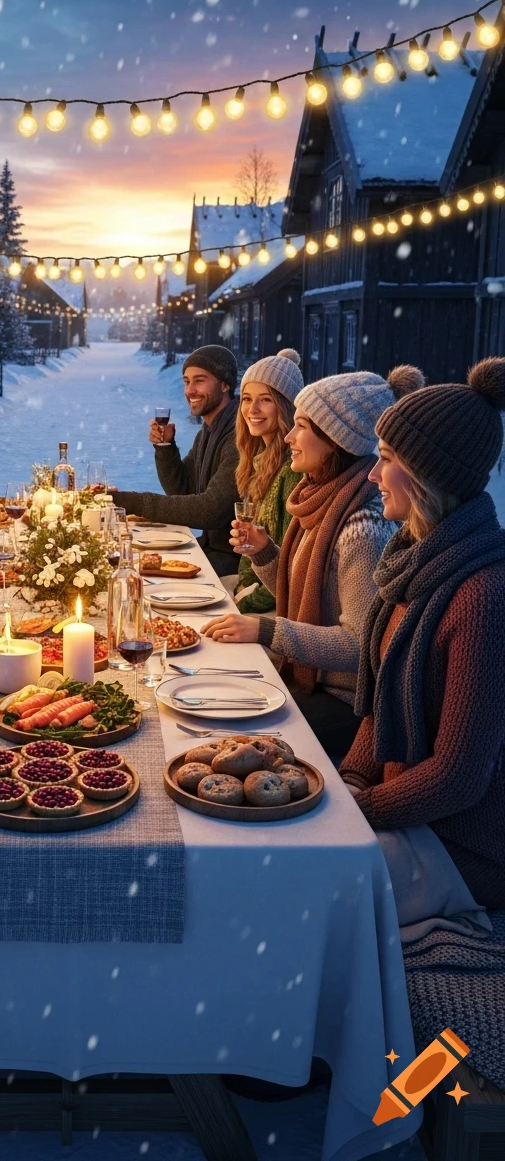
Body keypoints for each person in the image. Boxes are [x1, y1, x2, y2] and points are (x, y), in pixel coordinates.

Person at [340, 359, 505, 922]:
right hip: (409, 811)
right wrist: (348, 781)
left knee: (309, 879)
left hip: (466, 846)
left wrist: (359, 811)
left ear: (427, 475)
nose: (372, 475)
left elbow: (459, 776)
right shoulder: (413, 565)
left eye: (385, 461)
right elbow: (381, 707)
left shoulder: (481, 595)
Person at [203, 366, 424, 757]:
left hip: (347, 703)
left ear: (334, 440)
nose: (288, 435)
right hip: (314, 679)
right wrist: (266, 553)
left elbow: (359, 646)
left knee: (223, 731)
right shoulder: (319, 499)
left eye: (301, 425)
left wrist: (266, 630)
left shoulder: (361, 526)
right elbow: (307, 594)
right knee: (215, 688)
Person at [111, 344, 240, 574]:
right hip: (211, 550)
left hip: (232, 561)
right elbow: (182, 490)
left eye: (200, 380)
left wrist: (133, 502)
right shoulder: (209, 431)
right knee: (134, 562)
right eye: (186, 381)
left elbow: (210, 510)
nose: (190, 391)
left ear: (225, 383)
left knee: (137, 574)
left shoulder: (239, 436)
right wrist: (165, 448)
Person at [231, 349, 303, 614]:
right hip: (254, 590)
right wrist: (243, 586)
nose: (253, 409)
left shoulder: (292, 470)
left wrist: (245, 600)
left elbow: (288, 561)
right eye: (247, 399)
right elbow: (250, 547)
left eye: (265, 400)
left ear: (285, 407)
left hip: (278, 606)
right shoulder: (256, 459)